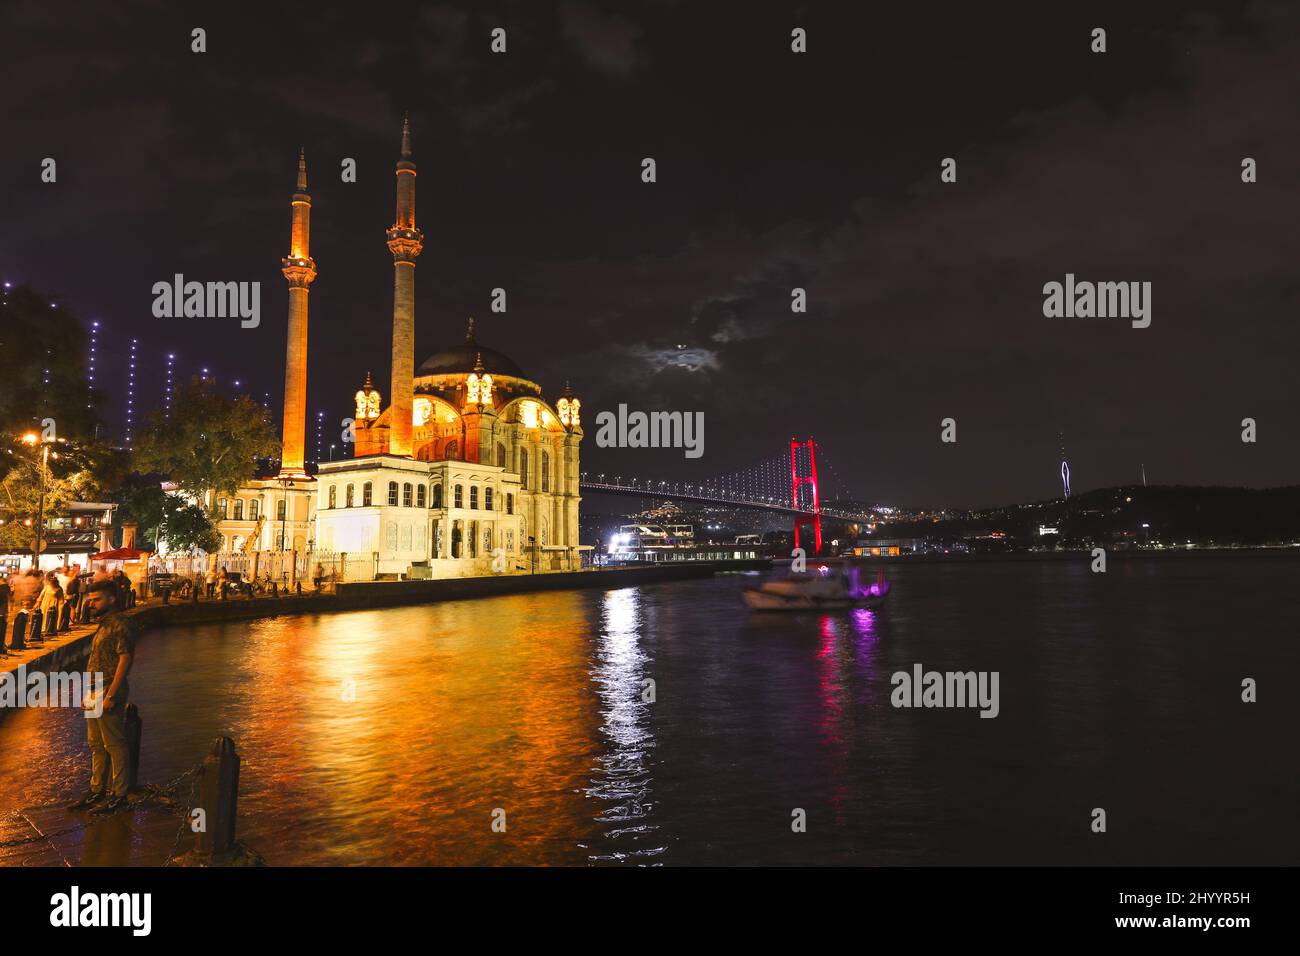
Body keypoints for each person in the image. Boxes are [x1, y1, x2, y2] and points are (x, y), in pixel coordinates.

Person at [67, 580, 138, 815]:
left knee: (115, 745)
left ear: (112, 599)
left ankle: (119, 794)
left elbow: (125, 660)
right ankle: (97, 790)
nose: (91, 603)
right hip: (94, 689)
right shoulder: (104, 624)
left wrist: (111, 695)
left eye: (97, 600)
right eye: (91, 599)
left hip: (108, 690)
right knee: (96, 744)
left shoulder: (121, 624)